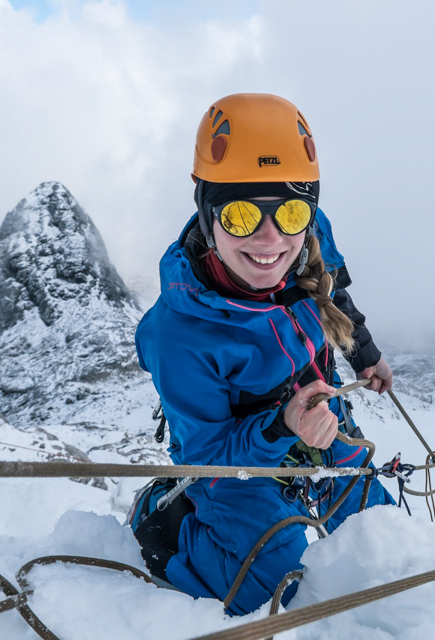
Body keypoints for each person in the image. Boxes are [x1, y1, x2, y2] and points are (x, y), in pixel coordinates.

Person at [128, 93, 395, 615]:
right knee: (272, 581)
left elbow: (331, 287)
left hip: (315, 410)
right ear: (207, 214)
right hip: (238, 447)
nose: (271, 239)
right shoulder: (178, 333)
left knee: (378, 530)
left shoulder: (306, 230)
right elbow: (205, 455)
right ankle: (168, 520)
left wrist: (364, 352)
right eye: (242, 215)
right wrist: (278, 429)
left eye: (292, 211)